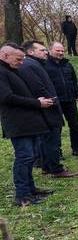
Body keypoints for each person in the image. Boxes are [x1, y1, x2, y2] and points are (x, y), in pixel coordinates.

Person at [0, 43, 54, 206]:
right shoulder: (1, 73)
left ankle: (30, 189)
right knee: (24, 157)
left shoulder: (10, 70)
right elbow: (7, 98)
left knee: (30, 157)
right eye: (18, 59)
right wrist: (36, 103)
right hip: (18, 124)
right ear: (5, 55)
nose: (21, 62)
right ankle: (22, 195)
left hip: (29, 123)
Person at [20, 40, 78, 178]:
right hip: (47, 105)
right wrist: (50, 99)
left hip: (52, 103)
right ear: (30, 52)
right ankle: (56, 169)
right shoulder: (30, 65)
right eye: (42, 50)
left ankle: (47, 166)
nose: (45, 52)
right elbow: (38, 87)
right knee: (51, 138)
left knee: (47, 138)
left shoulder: (36, 64)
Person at [44, 42, 78, 156]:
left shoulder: (68, 65)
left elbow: (74, 81)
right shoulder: (45, 65)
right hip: (54, 101)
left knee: (75, 125)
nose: (61, 53)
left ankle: (76, 149)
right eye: (58, 50)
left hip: (70, 99)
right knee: (57, 128)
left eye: (62, 50)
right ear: (50, 50)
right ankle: (58, 152)